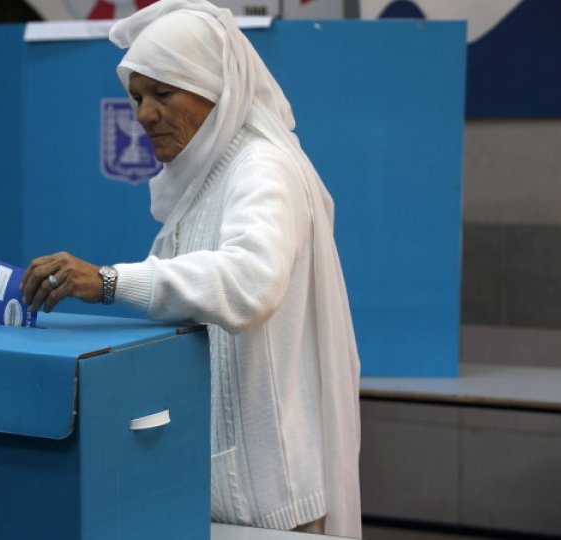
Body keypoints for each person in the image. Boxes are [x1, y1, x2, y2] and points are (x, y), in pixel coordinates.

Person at [20, 0, 361, 536]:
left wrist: (108, 281)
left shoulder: (261, 169)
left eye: (163, 92)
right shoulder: (204, 181)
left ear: (214, 88)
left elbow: (251, 282)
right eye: (136, 97)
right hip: (225, 489)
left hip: (270, 501)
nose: (143, 115)